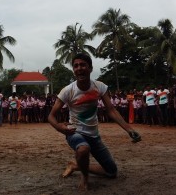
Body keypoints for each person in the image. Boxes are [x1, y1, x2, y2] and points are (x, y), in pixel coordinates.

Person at [48, 53, 141, 191]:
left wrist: (129, 129)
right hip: (75, 132)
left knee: (111, 172)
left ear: (90, 68)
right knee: (83, 148)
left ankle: (76, 166)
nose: (79, 68)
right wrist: (59, 128)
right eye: (76, 66)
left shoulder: (100, 87)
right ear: (73, 70)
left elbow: (111, 110)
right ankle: (85, 178)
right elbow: (51, 116)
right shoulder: (68, 90)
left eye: (83, 65)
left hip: (94, 135)